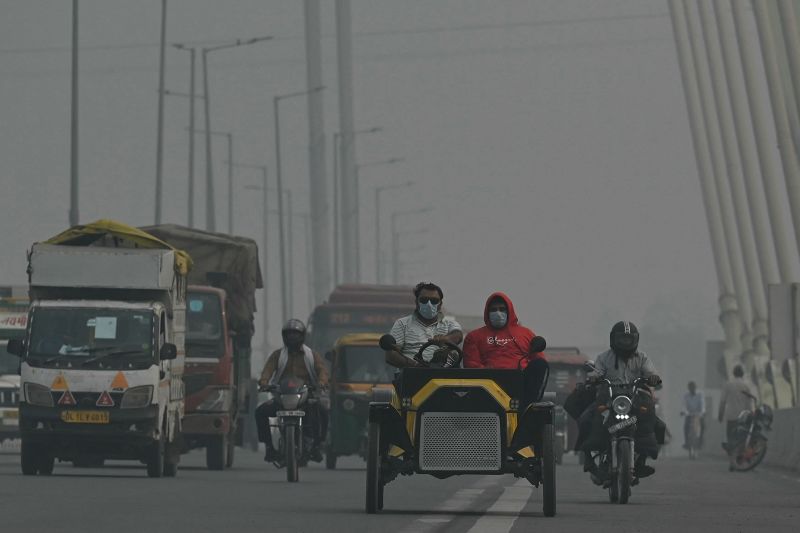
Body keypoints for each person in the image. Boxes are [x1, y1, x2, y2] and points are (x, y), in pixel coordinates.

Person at [581, 321, 662, 483]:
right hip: (609, 398)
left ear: (635, 340)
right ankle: (589, 462)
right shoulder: (604, 357)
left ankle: (641, 460)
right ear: (613, 339)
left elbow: (653, 374)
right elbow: (596, 372)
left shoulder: (642, 357)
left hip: (634, 399)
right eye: (622, 339)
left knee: (656, 423)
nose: (625, 343)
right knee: (585, 419)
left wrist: (653, 378)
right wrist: (594, 377)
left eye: (629, 339)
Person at [255, 319, 329, 463]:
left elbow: (322, 370)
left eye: (296, 334)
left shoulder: (311, 355)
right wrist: (264, 382)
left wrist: (321, 382)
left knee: (323, 412)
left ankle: (317, 446)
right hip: (282, 397)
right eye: (289, 335)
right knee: (260, 412)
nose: (292, 338)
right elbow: (268, 370)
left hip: (305, 397)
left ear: (302, 336)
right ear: (284, 336)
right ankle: (269, 447)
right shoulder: (278, 355)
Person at [462, 292, 549, 407]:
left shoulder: (526, 334)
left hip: (521, 385)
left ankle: (526, 409)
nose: (498, 313)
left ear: (509, 311)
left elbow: (539, 360)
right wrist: (489, 371)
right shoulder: (474, 337)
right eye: (493, 310)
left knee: (540, 364)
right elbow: (471, 365)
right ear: (487, 312)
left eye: (502, 309)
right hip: (489, 385)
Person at [384, 282, 463, 368]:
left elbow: (458, 335)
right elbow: (391, 355)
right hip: (412, 376)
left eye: (434, 301)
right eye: (424, 300)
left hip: (444, 375)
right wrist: (416, 366)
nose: (429, 304)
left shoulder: (450, 323)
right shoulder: (402, 324)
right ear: (417, 302)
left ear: (440, 304)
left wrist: (446, 339)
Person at [718, 364, 754, 471]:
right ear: (742, 373)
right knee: (741, 440)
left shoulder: (728, 384)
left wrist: (720, 414)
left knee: (731, 439)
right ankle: (739, 460)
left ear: (733, 373)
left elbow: (723, 402)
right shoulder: (746, 386)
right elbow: (749, 403)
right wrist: (751, 415)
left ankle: (732, 463)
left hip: (731, 416)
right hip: (743, 417)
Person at [682, 380, 705, 450]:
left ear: (695, 388)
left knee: (703, 426)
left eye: (693, 388)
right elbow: (684, 405)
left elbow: (702, 405)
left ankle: (700, 442)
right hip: (689, 414)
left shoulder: (700, 394)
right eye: (690, 388)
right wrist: (684, 412)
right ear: (689, 388)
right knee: (685, 427)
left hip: (698, 414)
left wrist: (703, 412)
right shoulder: (686, 395)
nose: (692, 389)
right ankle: (686, 442)